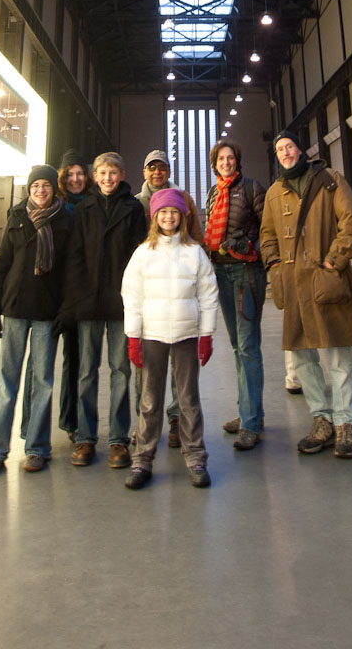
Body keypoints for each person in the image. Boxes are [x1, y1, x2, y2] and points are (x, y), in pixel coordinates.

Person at [260, 130, 352, 461]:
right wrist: (275, 266)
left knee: (338, 355)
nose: (285, 153)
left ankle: (344, 423)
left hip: (327, 280)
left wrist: (334, 261)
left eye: (289, 146)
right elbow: (267, 235)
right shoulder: (274, 192)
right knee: (303, 356)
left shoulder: (330, 180)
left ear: (300, 149)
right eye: (280, 149)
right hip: (294, 285)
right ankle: (321, 419)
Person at [121, 188, 218, 490]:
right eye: (163, 212)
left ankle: (196, 457)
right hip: (153, 335)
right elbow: (132, 296)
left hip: (187, 334)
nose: (168, 217)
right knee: (150, 400)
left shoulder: (195, 252)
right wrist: (133, 337)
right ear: (154, 216)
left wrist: (206, 334)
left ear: (182, 217)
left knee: (188, 399)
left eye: (174, 212)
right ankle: (142, 459)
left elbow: (208, 295)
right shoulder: (143, 254)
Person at [0, 164, 72, 475]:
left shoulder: (64, 220)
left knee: (42, 382)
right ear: (29, 190)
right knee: (6, 381)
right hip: (15, 308)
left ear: (53, 188)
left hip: (47, 312)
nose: (40, 191)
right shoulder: (17, 217)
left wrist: (65, 310)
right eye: (35, 186)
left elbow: (69, 271)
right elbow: (2, 266)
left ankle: (37, 448)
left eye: (46, 185)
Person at [57, 151, 146, 468]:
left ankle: (118, 440)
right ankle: (85, 437)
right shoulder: (84, 209)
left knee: (121, 370)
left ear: (121, 175)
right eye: (102, 173)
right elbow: (74, 255)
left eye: (113, 173)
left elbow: (140, 255)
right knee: (86, 372)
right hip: (89, 302)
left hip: (121, 303)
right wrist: (77, 297)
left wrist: (135, 296)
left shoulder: (133, 208)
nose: (108, 178)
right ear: (95, 177)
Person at [135, 148, 203, 448]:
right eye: (151, 167)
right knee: (147, 366)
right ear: (145, 172)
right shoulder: (136, 203)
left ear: (168, 171)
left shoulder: (183, 199)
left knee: (181, 364)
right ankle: (144, 423)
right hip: (150, 294)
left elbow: (196, 236)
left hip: (179, 293)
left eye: (161, 167)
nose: (156, 172)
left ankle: (176, 419)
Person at [203, 138, 267, 451]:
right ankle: (250, 413)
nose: (226, 163)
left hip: (246, 273)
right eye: (221, 159)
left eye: (230, 158)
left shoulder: (252, 188)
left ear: (237, 160)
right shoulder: (214, 193)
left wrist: (251, 247)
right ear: (214, 164)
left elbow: (267, 229)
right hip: (222, 273)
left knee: (248, 347)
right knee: (236, 346)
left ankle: (251, 423)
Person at [55, 150, 92, 439]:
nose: (75, 179)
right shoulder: (56, 207)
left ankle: (79, 422)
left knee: (81, 359)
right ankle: (69, 419)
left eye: (80, 174)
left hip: (85, 292)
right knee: (69, 360)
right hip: (58, 292)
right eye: (70, 174)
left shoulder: (91, 205)